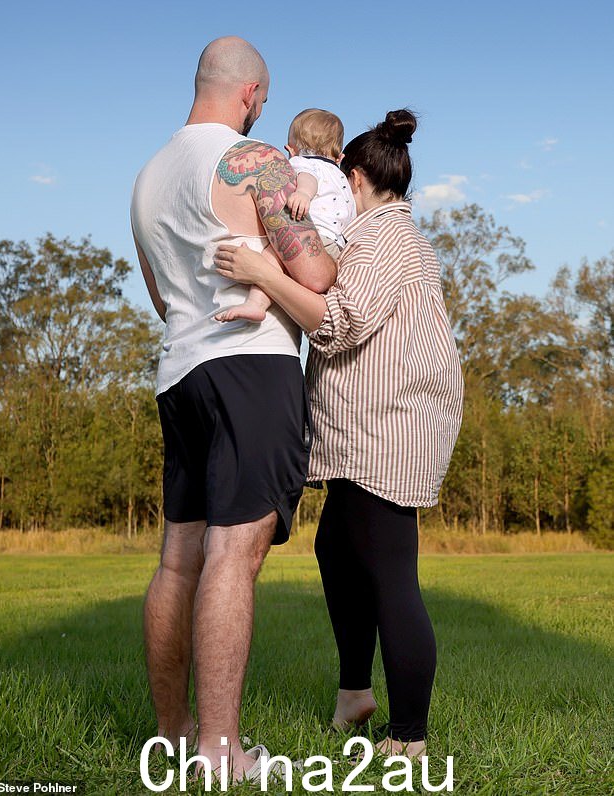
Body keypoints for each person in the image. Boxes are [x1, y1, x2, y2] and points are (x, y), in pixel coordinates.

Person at [214, 109, 465, 759]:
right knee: (336, 551)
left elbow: (341, 323)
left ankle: (408, 734)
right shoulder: (378, 237)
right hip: (367, 429)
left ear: (354, 178)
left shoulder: (385, 238)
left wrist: (267, 276)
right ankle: (355, 693)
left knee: (390, 575)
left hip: (391, 431)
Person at [130, 36, 337, 782]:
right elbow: (313, 267)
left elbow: (161, 297)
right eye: (265, 102)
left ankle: (174, 734)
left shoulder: (147, 177)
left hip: (179, 371)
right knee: (232, 555)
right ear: (251, 94)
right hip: (251, 368)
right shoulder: (253, 161)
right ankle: (221, 750)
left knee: (177, 559)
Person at [216, 108, 354, 323]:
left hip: (314, 236)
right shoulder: (343, 178)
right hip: (337, 247)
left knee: (276, 253)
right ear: (340, 156)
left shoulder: (301, 162)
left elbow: (308, 178)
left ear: (291, 149)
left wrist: (302, 193)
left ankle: (256, 303)